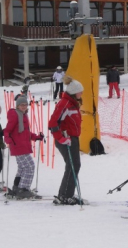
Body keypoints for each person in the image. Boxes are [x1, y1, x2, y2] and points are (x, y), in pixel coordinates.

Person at [48, 75, 84, 205]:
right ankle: (64, 195)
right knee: (73, 165)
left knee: (74, 165)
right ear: (74, 92)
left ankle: (66, 194)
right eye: (80, 91)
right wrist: (61, 139)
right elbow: (52, 123)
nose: (81, 93)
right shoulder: (65, 104)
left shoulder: (73, 103)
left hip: (73, 137)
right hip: (66, 138)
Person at [4, 96, 44, 199]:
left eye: (26, 104)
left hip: (22, 145)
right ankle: (23, 189)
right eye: (22, 105)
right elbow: (7, 130)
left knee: (22, 168)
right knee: (30, 166)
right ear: (17, 105)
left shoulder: (23, 115)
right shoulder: (15, 115)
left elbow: (25, 132)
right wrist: (8, 139)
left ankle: (17, 187)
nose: (24, 106)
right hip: (18, 145)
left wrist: (36, 137)